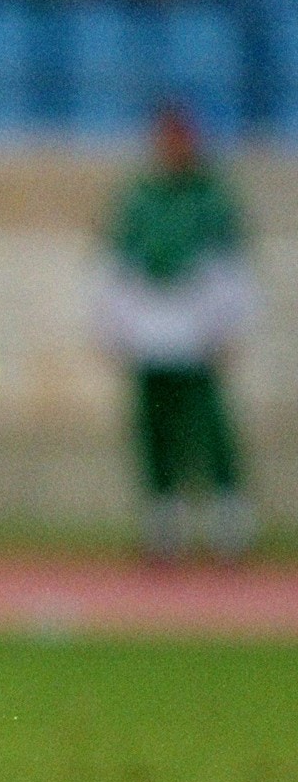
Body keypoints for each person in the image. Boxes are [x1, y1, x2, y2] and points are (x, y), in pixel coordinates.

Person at [96, 103, 255, 561]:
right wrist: (113, 327)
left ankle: (229, 519)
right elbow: (118, 266)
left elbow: (230, 267)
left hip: (195, 324)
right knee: (154, 429)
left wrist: (229, 324)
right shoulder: (139, 198)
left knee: (208, 427)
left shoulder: (211, 198)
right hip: (150, 326)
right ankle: (164, 522)